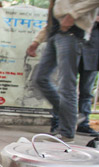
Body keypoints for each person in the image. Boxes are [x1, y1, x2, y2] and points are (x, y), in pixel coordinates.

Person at [26, 0, 98, 142]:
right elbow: (54, 19)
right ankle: (71, 116)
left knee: (67, 86)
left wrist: (73, 15)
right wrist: (36, 41)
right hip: (55, 33)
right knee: (40, 79)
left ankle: (66, 133)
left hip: (72, 32)